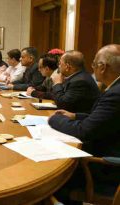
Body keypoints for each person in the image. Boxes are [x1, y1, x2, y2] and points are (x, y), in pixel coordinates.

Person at [49, 44, 120, 204]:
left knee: (57, 177)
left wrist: (54, 120)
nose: (92, 68)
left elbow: (84, 131)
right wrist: (75, 115)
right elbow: (106, 119)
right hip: (108, 147)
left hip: (107, 167)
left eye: (94, 64)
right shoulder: (115, 88)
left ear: (102, 67)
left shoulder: (115, 94)